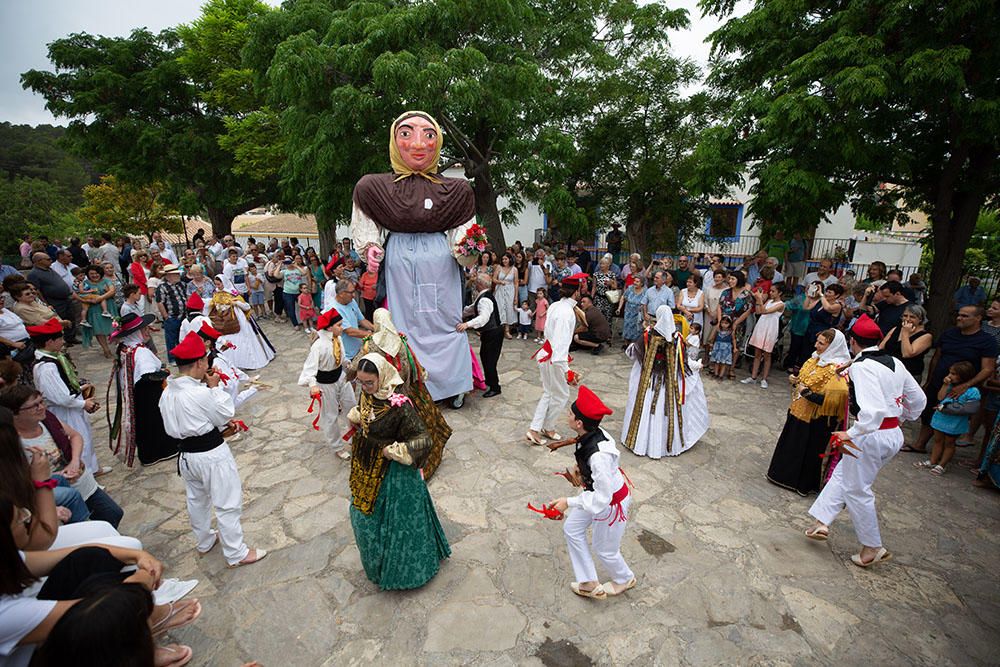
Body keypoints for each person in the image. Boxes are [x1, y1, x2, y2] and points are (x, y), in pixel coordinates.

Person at [351, 111, 476, 404]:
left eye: (429, 135)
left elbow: (464, 233)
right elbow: (366, 224)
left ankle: (451, 385)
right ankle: (407, 384)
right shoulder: (373, 186)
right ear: (395, 141)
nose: (419, 143)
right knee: (402, 326)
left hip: (439, 262)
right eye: (406, 134)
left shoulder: (456, 189)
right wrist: (370, 247)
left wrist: (466, 249)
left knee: (446, 323)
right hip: (399, 263)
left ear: (438, 142)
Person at [0, 498, 198, 667]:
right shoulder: (5, 615)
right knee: (110, 606)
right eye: (21, 520)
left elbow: (72, 554)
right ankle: (136, 650)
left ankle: (143, 624)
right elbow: (102, 611)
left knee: (88, 559)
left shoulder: (7, 560)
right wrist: (143, 580)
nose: (29, 520)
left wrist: (137, 555)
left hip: (30, 641)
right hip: (33, 660)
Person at [806, 315, 926, 567]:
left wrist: (850, 433)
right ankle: (821, 522)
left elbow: (872, 412)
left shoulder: (861, 367)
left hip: (870, 436)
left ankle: (872, 547)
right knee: (844, 473)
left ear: (853, 341)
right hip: (891, 433)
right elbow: (918, 400)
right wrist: (903, 416)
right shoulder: (894, 361)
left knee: (857, 489)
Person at [159, 332, 266, 568]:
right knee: (227, 502)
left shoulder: (167, 392)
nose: (208, 364)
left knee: (196, 499)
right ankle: (236, 552)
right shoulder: (200, 392)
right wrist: (215, 388)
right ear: (199, 363)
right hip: (210, 454)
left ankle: (204, 540)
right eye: (206, 360)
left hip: (186, 455)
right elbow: (225, 412)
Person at [345, 354, 451, 589]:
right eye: (360, 382)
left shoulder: (400, 406)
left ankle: (404, 572)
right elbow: (367, 413)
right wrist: (358, 418)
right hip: (366, 466)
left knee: (400, 526)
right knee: (362, 519)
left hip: (394, 474)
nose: (363, 387)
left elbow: (424, 440)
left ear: (382, 378)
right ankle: (378, 566)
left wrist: (396, 450)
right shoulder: (368, 393)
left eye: (368, 383)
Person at [545, 385, 634, 599]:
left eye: (570, 414)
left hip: (611, 504)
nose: (567, 414)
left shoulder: (598, 457)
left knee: (605, 549)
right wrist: (580, 470)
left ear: (578, 423)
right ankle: (588, 582)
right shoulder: (592, 433)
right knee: (572, 528)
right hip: (596, 494)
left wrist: (568, 502)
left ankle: (625, 578)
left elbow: (602, 498)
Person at [349, 308, 452, 480]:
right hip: (407, 391)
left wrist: (349, 372)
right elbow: (412, 365)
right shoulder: (401, 340)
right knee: (418, 426)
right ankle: (421, 462)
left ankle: (385, 463)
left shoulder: (370, 344)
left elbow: (357, 366)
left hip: (380, 394)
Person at [5, 385, 124, 527]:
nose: (41, 407)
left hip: (80, 482)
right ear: (14, 413)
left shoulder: (47, 419)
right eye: (34, 406)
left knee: (112, 513)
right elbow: (16, 481)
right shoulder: (11, 441)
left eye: (41, 402)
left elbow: (75, 436)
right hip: (54, 493)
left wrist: (74, 461)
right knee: (85, 528)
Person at [902, 305, 998, 454]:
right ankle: (920, 444)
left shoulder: (987, 341)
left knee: (950, 417)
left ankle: (942, 454)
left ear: (978, 318)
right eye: (959, 315)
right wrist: (930, 379)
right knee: (928, 413)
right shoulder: (949, 333)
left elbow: (988, 368)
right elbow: (937, 357)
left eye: (965, 316)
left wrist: (966, 385)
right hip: (939, 381)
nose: (960, 318)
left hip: (961, 388)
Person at [766, 329, 850, 495]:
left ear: (833, 346)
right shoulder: (814, 359)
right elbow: (804, 380)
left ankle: (801, 483)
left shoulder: (837, 369)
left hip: (815, 418)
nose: (816, 345)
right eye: (817, 341)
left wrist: (807, 394)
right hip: (798, 410)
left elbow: (834, 400)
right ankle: (781, 476)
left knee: (805, 449)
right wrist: (796, 381)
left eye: (821, 343)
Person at [621, 306, 710, 458]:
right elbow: (685, 362)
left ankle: (641, 442)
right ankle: (664, 445)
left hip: (649, 383)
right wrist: (696, 366)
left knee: (646, 407)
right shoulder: (677, 339)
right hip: (668, 384)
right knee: (666, 411)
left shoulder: (648, 336)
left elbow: (631, 352)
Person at [28, 318, 108, 477]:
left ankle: (93, 468)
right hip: (65, 411)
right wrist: (83, 403)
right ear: (49, 342)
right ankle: (87, 477)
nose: (63, 341)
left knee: (86, 437)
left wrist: (79, 387)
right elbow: (61, 397)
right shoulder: (46, 368)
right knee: (78, 441)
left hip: (72, 407)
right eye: (60, 338)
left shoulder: (54, 359)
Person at [108, 313, 177, 468]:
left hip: (136, 393)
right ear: (134, 333)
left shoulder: (125, 348)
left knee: (144, 424)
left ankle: (148, 454)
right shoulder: (140, 352)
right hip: (148, 394)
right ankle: (161, 451)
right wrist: (164, 373)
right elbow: (148, 376)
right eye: (144, 329)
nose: (148, 331)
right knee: (155, 423)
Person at [527, 274, 587, 445]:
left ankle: (538, 428)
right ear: (576, 292)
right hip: (553, 358)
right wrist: (568, 372)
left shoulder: (556, 305)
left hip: (547, 354)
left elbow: (550, 334)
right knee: (561, 394)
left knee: (549, 392)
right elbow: (560, 347)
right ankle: (545, 427)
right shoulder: (566, 312)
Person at [299, 309, 356, 461]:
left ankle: (354, 437)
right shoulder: (319, 346)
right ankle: (337, 447)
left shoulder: (337, 338)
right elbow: (309, 369)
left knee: (351, 407)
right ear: (329, 327)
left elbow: (341, 356)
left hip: (341, 378)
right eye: (339, 325)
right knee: (330, 416)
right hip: (325, 385)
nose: (342, 328)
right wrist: (312, 385)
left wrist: (347, 364)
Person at [913, 361, 980, 476]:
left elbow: (971, 408)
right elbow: (940, 397)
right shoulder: (950, 386)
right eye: (950, 373)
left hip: (955, 422)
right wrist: (945, 385)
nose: (950, 376)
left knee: (949, 443)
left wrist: (950, 408)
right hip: (941, 418)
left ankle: (942, 464)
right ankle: (933, 461)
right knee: (938, 440)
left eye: (953, 374)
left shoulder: (972, 392)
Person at [208, 276, 275, 370]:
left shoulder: (233, 293)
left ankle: (248, 361)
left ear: (224, 283)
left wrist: (236, 303)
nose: (217, 286)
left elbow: (246, 307)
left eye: (219, 284)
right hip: (224, 321)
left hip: (238, 320)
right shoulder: (216, 294)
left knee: (243, 341)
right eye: (216, 284)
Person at [458, 273, 504, 398]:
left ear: (480, 284)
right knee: (485, 357)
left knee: (490, 361)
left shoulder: (484, 299)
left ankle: (495, 387)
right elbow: (471, 309)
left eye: (476, 282)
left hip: (493, 333)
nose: (474, 284)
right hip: (491, 333)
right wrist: (458, 314)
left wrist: (467, 324)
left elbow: (483, 318)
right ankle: (490, 382)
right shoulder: (482, 296)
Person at [27, 253, 79, 345]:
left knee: (70, 317)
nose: (51, 261)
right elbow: (37, 290)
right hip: (53, 300)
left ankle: (71, 337)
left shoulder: (49, 269)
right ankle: (61, 340)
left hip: (66, 298)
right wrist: (45, 303)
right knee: (59, 320)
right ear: (39, 261)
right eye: (48, 259)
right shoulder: (34, 273)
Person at [743, 283, 785, 388]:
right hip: (761, 327)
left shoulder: (781, 304)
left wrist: (760, 299)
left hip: (770, 329)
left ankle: (764, 378)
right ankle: (753, 377)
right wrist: (758, 300)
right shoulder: (769, 301)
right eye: (770, 291)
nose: (770, 293)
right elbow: (759, 311)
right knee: (757, 353)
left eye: (773, 291)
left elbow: (765, 311)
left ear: (780, 293)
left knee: (767, 354)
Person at [879, 304, 933, 381]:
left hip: (908, 375)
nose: (907, 319)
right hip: (888, 370)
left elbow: (907, 354)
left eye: (912, 317)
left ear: (920, 319)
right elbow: (881, 347)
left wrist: (905, 333)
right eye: (905, 316)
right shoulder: (895, 329)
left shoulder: (926, 336)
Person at [717, 271, 754, 377]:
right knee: (721, 344)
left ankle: (731, 368)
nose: (730, 281)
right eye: (730, 279)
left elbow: (748, 310)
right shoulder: (726, 292)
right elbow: (719, 306)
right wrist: (720, 321)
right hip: (724, 322)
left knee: (735, 346)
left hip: (739, 324)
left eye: (733, 279)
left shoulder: (746, 294)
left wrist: (736, 323)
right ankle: (719, 367)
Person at [155, 264, 187, 364]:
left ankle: (182, 355)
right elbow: (160, 302)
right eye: (175, 274)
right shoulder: (162, 287)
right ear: (168, 276)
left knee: (181, 337)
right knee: (171, 339)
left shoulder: (181, 284)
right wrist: (166, 316)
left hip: (183, 316)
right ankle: (172, 358)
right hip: (172, 317)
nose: (178, 276)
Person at [492, 253, 518, 340]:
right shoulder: (499, 267)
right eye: (503, 259)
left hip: (510, 291)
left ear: (510, 259)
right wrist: (500, 282)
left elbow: (516, 283)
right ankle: (499, 329)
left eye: (506, 259)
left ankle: (507, 330)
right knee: (499, 308)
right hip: (500, 290)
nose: (504, 261)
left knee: (508, 309)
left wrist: (516, 297)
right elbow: (494, 279)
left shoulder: (514, 269)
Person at [591, 256, 619, 329]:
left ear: (608, 265)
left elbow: (615, 287)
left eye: (603, 264)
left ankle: (608, 334)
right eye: (600, 264)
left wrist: (611, 283)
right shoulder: (596, 274)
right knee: (598, 317)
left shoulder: (612, 274)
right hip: (598, 298)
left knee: (608, 317)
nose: (601, 265)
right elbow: (594, 287)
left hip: (608, 299)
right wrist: (591, 298)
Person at [618, 274, 647, 346]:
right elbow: (623, 297)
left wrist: (645, 312)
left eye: (637, 281)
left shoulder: (645, 291)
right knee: (627, 327)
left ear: (642, 283)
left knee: (637, 330)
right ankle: (626, 344)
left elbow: (646, 302)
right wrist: (619, 308)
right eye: (634, 281)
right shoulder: (630, 288)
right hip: (628, 312)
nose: (635, 282)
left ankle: (634, 345)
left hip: (638, 314)